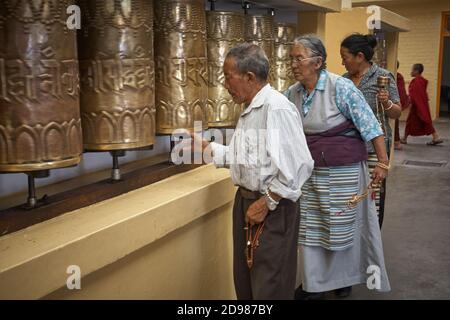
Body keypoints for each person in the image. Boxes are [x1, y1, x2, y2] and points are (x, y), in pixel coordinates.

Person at [188, 43, 314, 299]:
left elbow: (299, 164)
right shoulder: (251, 109)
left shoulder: (276, 108)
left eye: (227, 77)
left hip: (271, 208)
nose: (224, 84)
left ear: (249, 77)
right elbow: (245, 158)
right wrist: (207, 148)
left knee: (270, 285)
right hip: (247, 202)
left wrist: (268, 201)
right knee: (247, 283)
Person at [285, 35, 391, 299]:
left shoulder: (340, 87)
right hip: (310, 173)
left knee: (342, 229)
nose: (294, 64)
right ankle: (315, 283)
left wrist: (383, 163)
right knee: (310, 229)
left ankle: (343, 279)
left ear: (318, 62)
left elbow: (371, 126)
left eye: (299, 58)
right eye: (291, 59)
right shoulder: (293, 93)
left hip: (344, 172)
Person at [341, 33, 401, 231]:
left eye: (345, 57)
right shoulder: (343, 81)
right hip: (348, 149)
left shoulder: (382, 77)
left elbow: (396, 111)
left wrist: (386, 102)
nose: (343, 63)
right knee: (350, 196)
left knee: (372, 198)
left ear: (359, 56)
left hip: (374, 149)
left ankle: (371, 244)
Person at [401, 64, 443, 146]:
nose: (411, 72)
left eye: (412, 70)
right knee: (410, 122)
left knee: (425, 120)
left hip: (418, 105)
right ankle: (404, 138)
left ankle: (436, 137)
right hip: (419, 105)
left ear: (416, 71)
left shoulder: (417, 82)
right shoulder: (421, 81)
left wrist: (407, 103)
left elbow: (415, 96)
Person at [394, 61, 409, 150]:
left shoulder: (398, 77)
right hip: (392, 102)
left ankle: (397, 142)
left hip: (394, 103)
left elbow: (400, 92)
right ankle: (397, 141)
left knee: (395, 123)